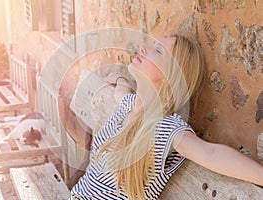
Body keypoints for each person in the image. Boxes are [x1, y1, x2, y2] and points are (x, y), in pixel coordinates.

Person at [69, 34, 263, 199]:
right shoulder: (129, 105)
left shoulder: (165, 128)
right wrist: (119, 78)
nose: (144, 49)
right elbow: (122, 91)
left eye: (158, 51)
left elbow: (209, 153)